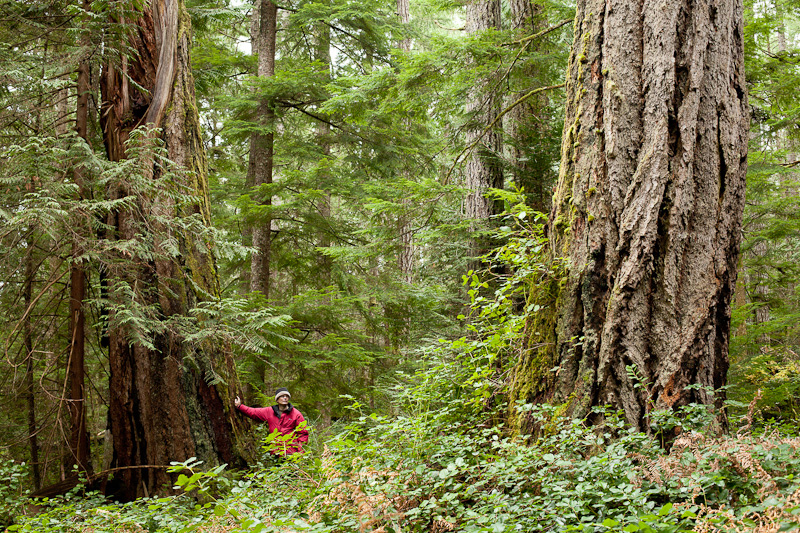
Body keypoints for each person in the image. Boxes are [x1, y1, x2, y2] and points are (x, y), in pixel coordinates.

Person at [235, 387, 309, 456]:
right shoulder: (269, 411)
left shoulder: (296, 414)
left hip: (291, 453)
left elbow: (303, 433)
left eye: (286, 396)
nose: (285, 398)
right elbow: (254, 412)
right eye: (282, 396)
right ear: (277, 399)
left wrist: (300, 453)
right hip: (275, 453)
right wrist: (240, 406)